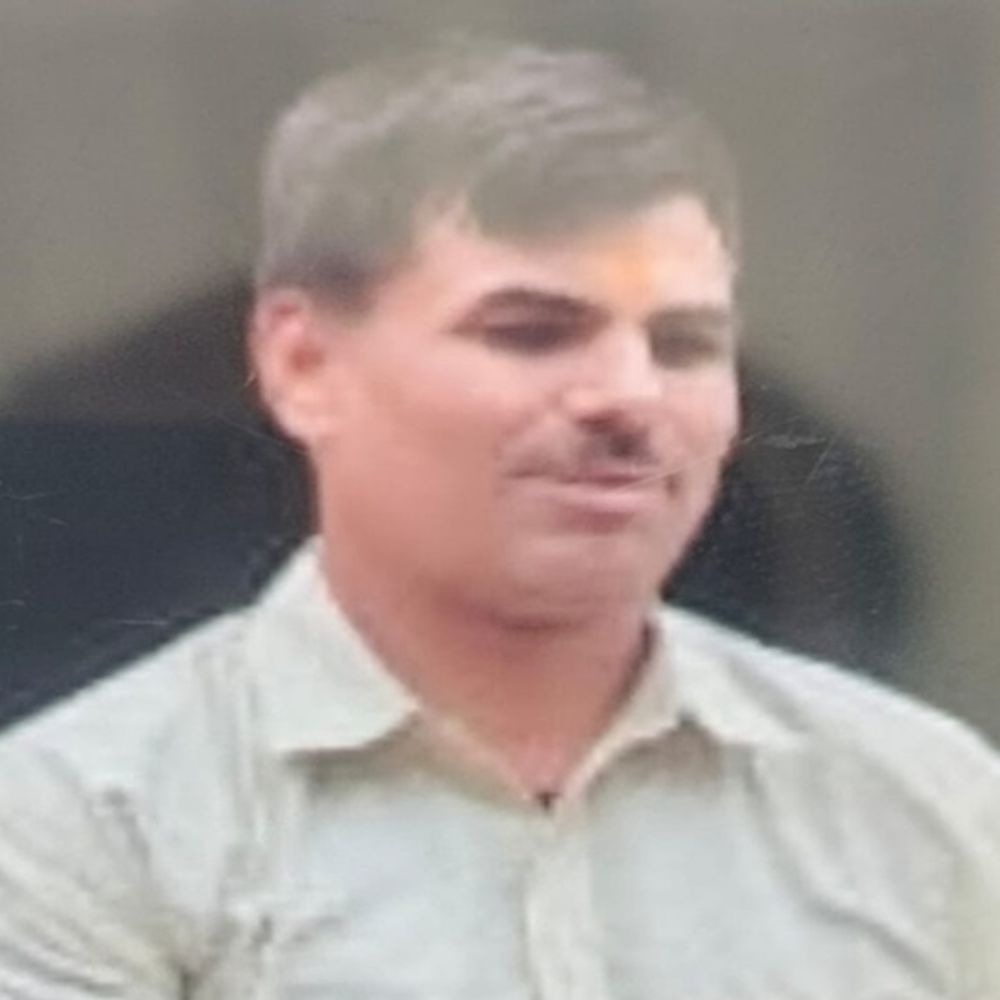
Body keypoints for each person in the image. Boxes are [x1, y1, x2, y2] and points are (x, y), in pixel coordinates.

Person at [0, 36, 996, 998]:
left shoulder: (924, 803)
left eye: (684, 345)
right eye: (531, 333)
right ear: (303, 365)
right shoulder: (84, 824)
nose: (628, 396)